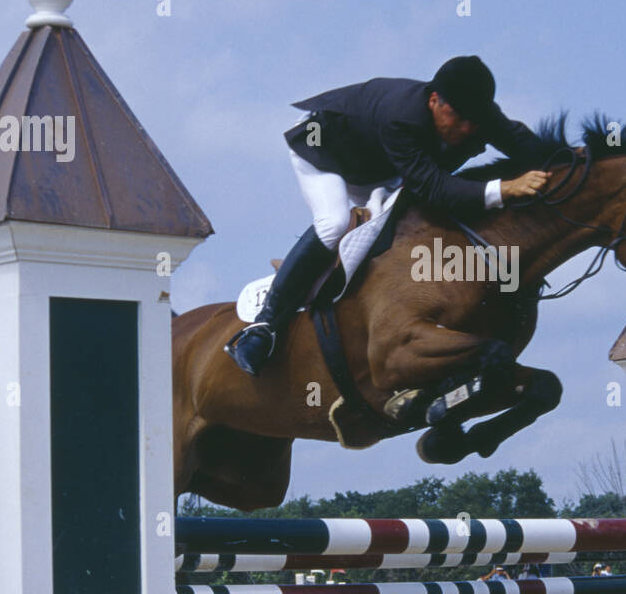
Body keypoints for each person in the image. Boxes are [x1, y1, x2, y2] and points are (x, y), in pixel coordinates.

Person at [226, 56, 551, 375]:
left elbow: (523, 143)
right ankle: (264, 327)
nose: (466, 129)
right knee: (335, 223)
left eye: (474, 121)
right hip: (324, 148)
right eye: (457, 117)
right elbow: (436, 188)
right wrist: (505, 189)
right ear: (434, 100)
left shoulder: (475, 113)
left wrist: (574, 161)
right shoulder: (401, 117)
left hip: (379, 168)